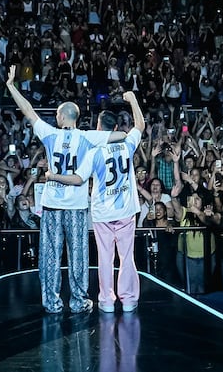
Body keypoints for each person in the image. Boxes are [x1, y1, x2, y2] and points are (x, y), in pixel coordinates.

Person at [5, 64, 126, 314]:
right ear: (77, 118)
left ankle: (52, 303)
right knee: (78, 256)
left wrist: (11, 86)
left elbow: (27, 110)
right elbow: (120, 137)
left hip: (51, 205)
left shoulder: (49, 134)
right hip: (76, 207)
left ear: (60, 118)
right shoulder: (88, 137)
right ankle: (79, 301)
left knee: (50, 256)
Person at [46, 90, 145, 313]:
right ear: (117, 129)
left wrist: (53, 176)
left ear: (99, 129)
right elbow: (140, 125)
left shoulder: (94, 152)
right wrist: (132, 100)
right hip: (126, 211)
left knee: (105, 259)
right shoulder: (128, 144)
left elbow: (78, 179)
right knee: (126, 257)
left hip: (102, 214)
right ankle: (128, 300)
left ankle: (107, 301)